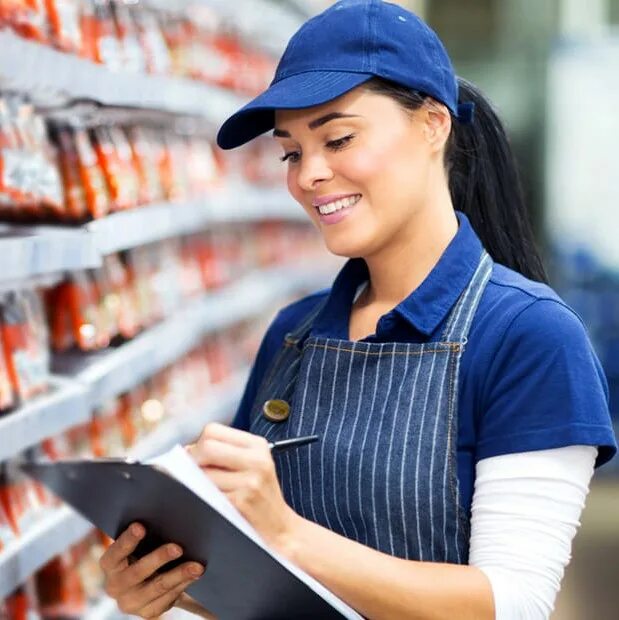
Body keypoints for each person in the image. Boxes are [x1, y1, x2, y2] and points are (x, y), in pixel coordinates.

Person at [99, 1, 617, 618]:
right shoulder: (294, 334)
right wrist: (173, 586)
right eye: (291, 153)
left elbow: (512, 604)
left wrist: (286, 532)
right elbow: (260, 587)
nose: (310, 175)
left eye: (338, 139)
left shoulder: (528, 336)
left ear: (432, 125)